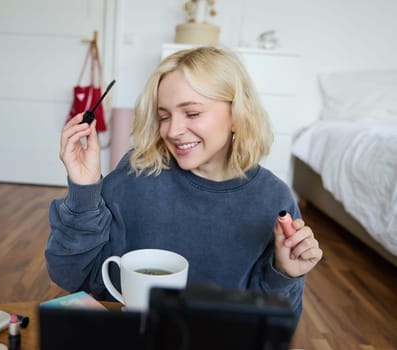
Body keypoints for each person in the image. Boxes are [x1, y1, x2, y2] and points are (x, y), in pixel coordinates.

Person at [45, 46, 323, 322]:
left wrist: (285, 274)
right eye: (164, 116)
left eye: (191, 113)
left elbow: (272, 322)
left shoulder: (273, 200)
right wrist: (85, 188)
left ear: (238, 115)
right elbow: (72, 275)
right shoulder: (137, 174)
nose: (172, 130)